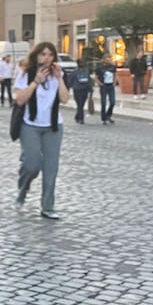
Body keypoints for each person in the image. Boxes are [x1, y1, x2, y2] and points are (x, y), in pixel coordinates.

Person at [13, 42, 70, 220]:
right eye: (43, 54)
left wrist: (60, 78)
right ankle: (23, 189)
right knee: (32, 164)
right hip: (30, 125)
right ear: (36, 55)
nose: (46, 58)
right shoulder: (25, 73)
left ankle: (48, 206)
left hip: (53, 126)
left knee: (51, 168)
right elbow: (20, 100)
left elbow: (65, 99)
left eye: (50, 55)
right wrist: (35, 82)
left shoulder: (56, 76)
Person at [70, 59, 94, 124]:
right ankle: (80, 118)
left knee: (80, 104)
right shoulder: (78, 72)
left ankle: (78, 117)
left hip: (81, 90)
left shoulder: (82, 71)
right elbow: (70, 81)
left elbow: (89, 80)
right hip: (80, 90)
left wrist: (91, 89)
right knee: (80, 104)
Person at [95, 56, 117, 124]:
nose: (109, 60)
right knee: (103, 102)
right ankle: (103, 118)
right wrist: (99, 83)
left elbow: (115, 75)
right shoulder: (100, 67)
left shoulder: (113, 67)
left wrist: (114, 82)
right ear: (104, 60)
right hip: (104, 86)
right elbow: (96, 76)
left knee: (112, 102)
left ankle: (108, 115)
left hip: (110, 86)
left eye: (110, 59)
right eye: (107, 59)